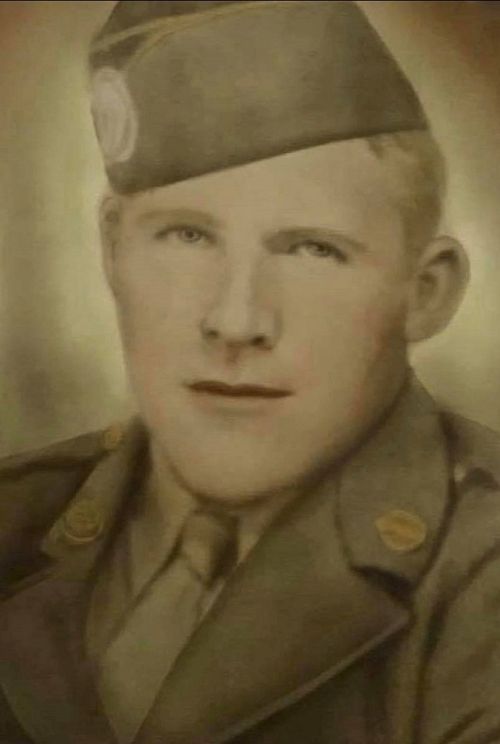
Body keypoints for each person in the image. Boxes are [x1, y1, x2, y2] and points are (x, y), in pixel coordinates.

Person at [1, 2, 500, 743]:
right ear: (112, 249)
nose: (235, 322)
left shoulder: (481, 573)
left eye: (312, 249)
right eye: (187, 236)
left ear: (426, 292)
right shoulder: (18, 516)